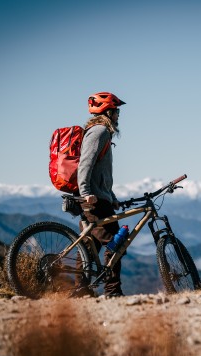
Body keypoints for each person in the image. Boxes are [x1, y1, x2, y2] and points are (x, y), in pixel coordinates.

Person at [76, 91, 126, 298]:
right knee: (116, 244)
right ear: (108, 112)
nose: (118, 115)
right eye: (116, 111)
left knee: (88, 247)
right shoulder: (99, 131)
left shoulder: (102, 132)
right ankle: (112, 291)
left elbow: (101, 173)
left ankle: (80, 290)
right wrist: (85, 192)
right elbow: (85, 163)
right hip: (94, 201)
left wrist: (111, 197)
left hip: (100, 198)